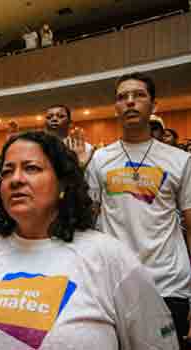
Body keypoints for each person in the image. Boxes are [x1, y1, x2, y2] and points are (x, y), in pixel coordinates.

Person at [0, 131, 179, 350]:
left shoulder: (109, 257)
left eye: (31, 168)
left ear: (62, 185)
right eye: (7, 171)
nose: (16, 179)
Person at [86, 72, 191, 349]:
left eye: (139, 95)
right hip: (116, 282)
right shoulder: (99, 159)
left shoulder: (181, 160)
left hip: (169, 282)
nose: (130, 102)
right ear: (116, 108)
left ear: (154, 106)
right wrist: (78, 170)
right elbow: (87, 220)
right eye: (122, 97)